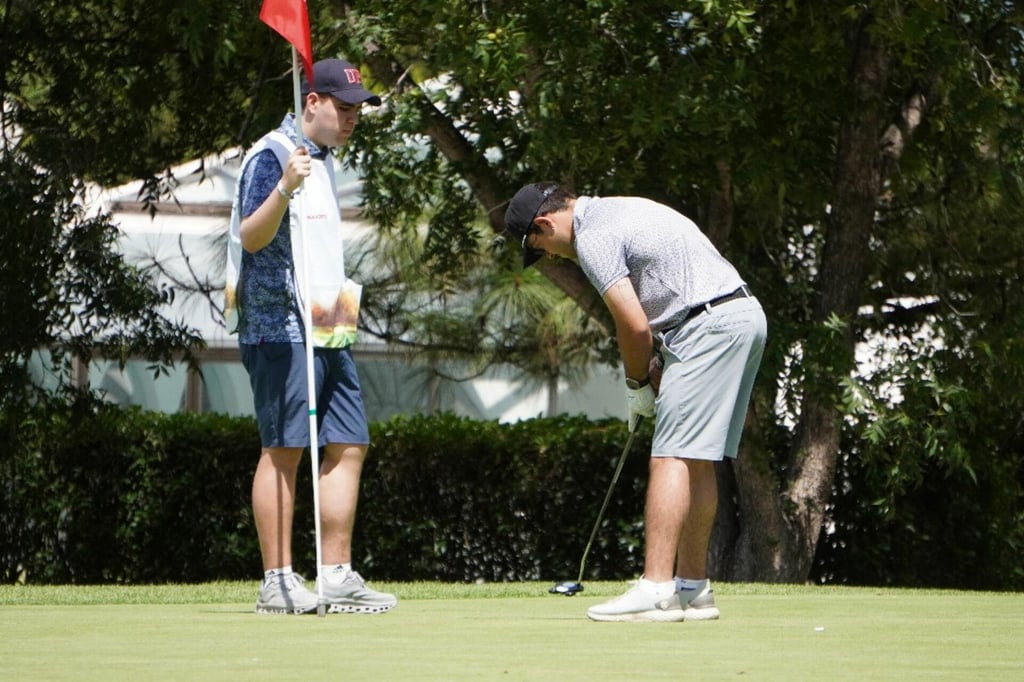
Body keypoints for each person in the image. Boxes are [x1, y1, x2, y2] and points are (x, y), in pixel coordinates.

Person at [504, 182, 766, 622]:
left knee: (669, 459)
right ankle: (693, 589)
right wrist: (661, 360)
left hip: (706, 327)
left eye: (539, 246)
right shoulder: (621, 208)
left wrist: (635, 383)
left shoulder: (592, 236)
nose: (548, 255)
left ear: (546, 223)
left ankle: (656, 589)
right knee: (696, 458)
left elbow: (634, 326)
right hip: (739, 317)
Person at [224, 58, 396, 615]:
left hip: (330, 319)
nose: (351, 120)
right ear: (312, 101)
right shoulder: (272, 156)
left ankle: (335, 575)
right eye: (343, 109)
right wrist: (283, 187)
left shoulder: (322, 162)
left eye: (357, 112)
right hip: (280, 324)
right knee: (285, 448)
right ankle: (276, 581)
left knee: (350, 442)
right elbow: (251, 237)